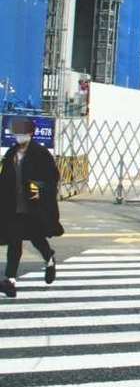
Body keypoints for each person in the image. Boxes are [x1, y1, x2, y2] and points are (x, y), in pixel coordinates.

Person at [0, 118, 64, 298]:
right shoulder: (11, 153)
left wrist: (39, 187)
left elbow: (52, 178)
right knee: (14, 242)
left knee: (37, 239)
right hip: (13, 206)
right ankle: (10, 281)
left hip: (34, 206)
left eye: (23, 132)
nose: (19, 135)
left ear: (30, 133)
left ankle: (49, 258)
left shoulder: (41, 153)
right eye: (17, 132)